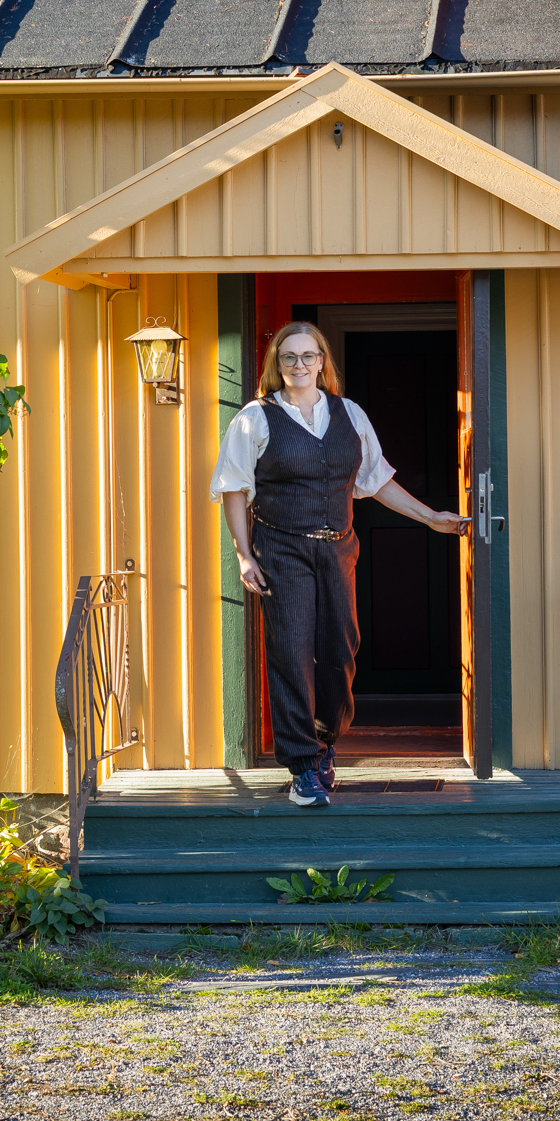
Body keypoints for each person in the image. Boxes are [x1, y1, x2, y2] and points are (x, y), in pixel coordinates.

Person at [209, 321, 470, 808]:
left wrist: (431, 517)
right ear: (276, 366)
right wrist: (244, 555)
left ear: (323, 361)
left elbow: (376, 479)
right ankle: (302, 767)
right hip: (280, 548)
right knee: (290, 653)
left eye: (308, 356)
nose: (300, 365)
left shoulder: (349, 413)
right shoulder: (255, 417)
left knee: (340, 651)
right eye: (289, 358)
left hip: (337, 547)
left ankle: (326, 741)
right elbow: (234, 489)